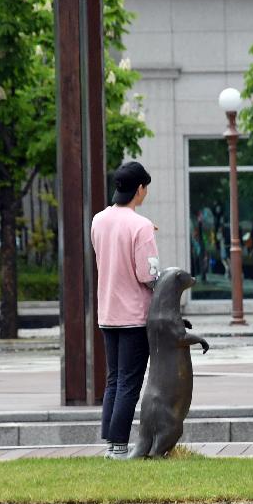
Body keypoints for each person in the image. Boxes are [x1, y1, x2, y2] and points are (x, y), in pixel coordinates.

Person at [90, 161, 160, 460]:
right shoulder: (141, 225)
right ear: (139, 189)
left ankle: (111, 443)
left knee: (114, 378)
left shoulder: (98, 220)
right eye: (146, 188)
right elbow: (148, 274)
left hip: (108, 310)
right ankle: (119, 446)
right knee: (130, 381)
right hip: (133, 314)